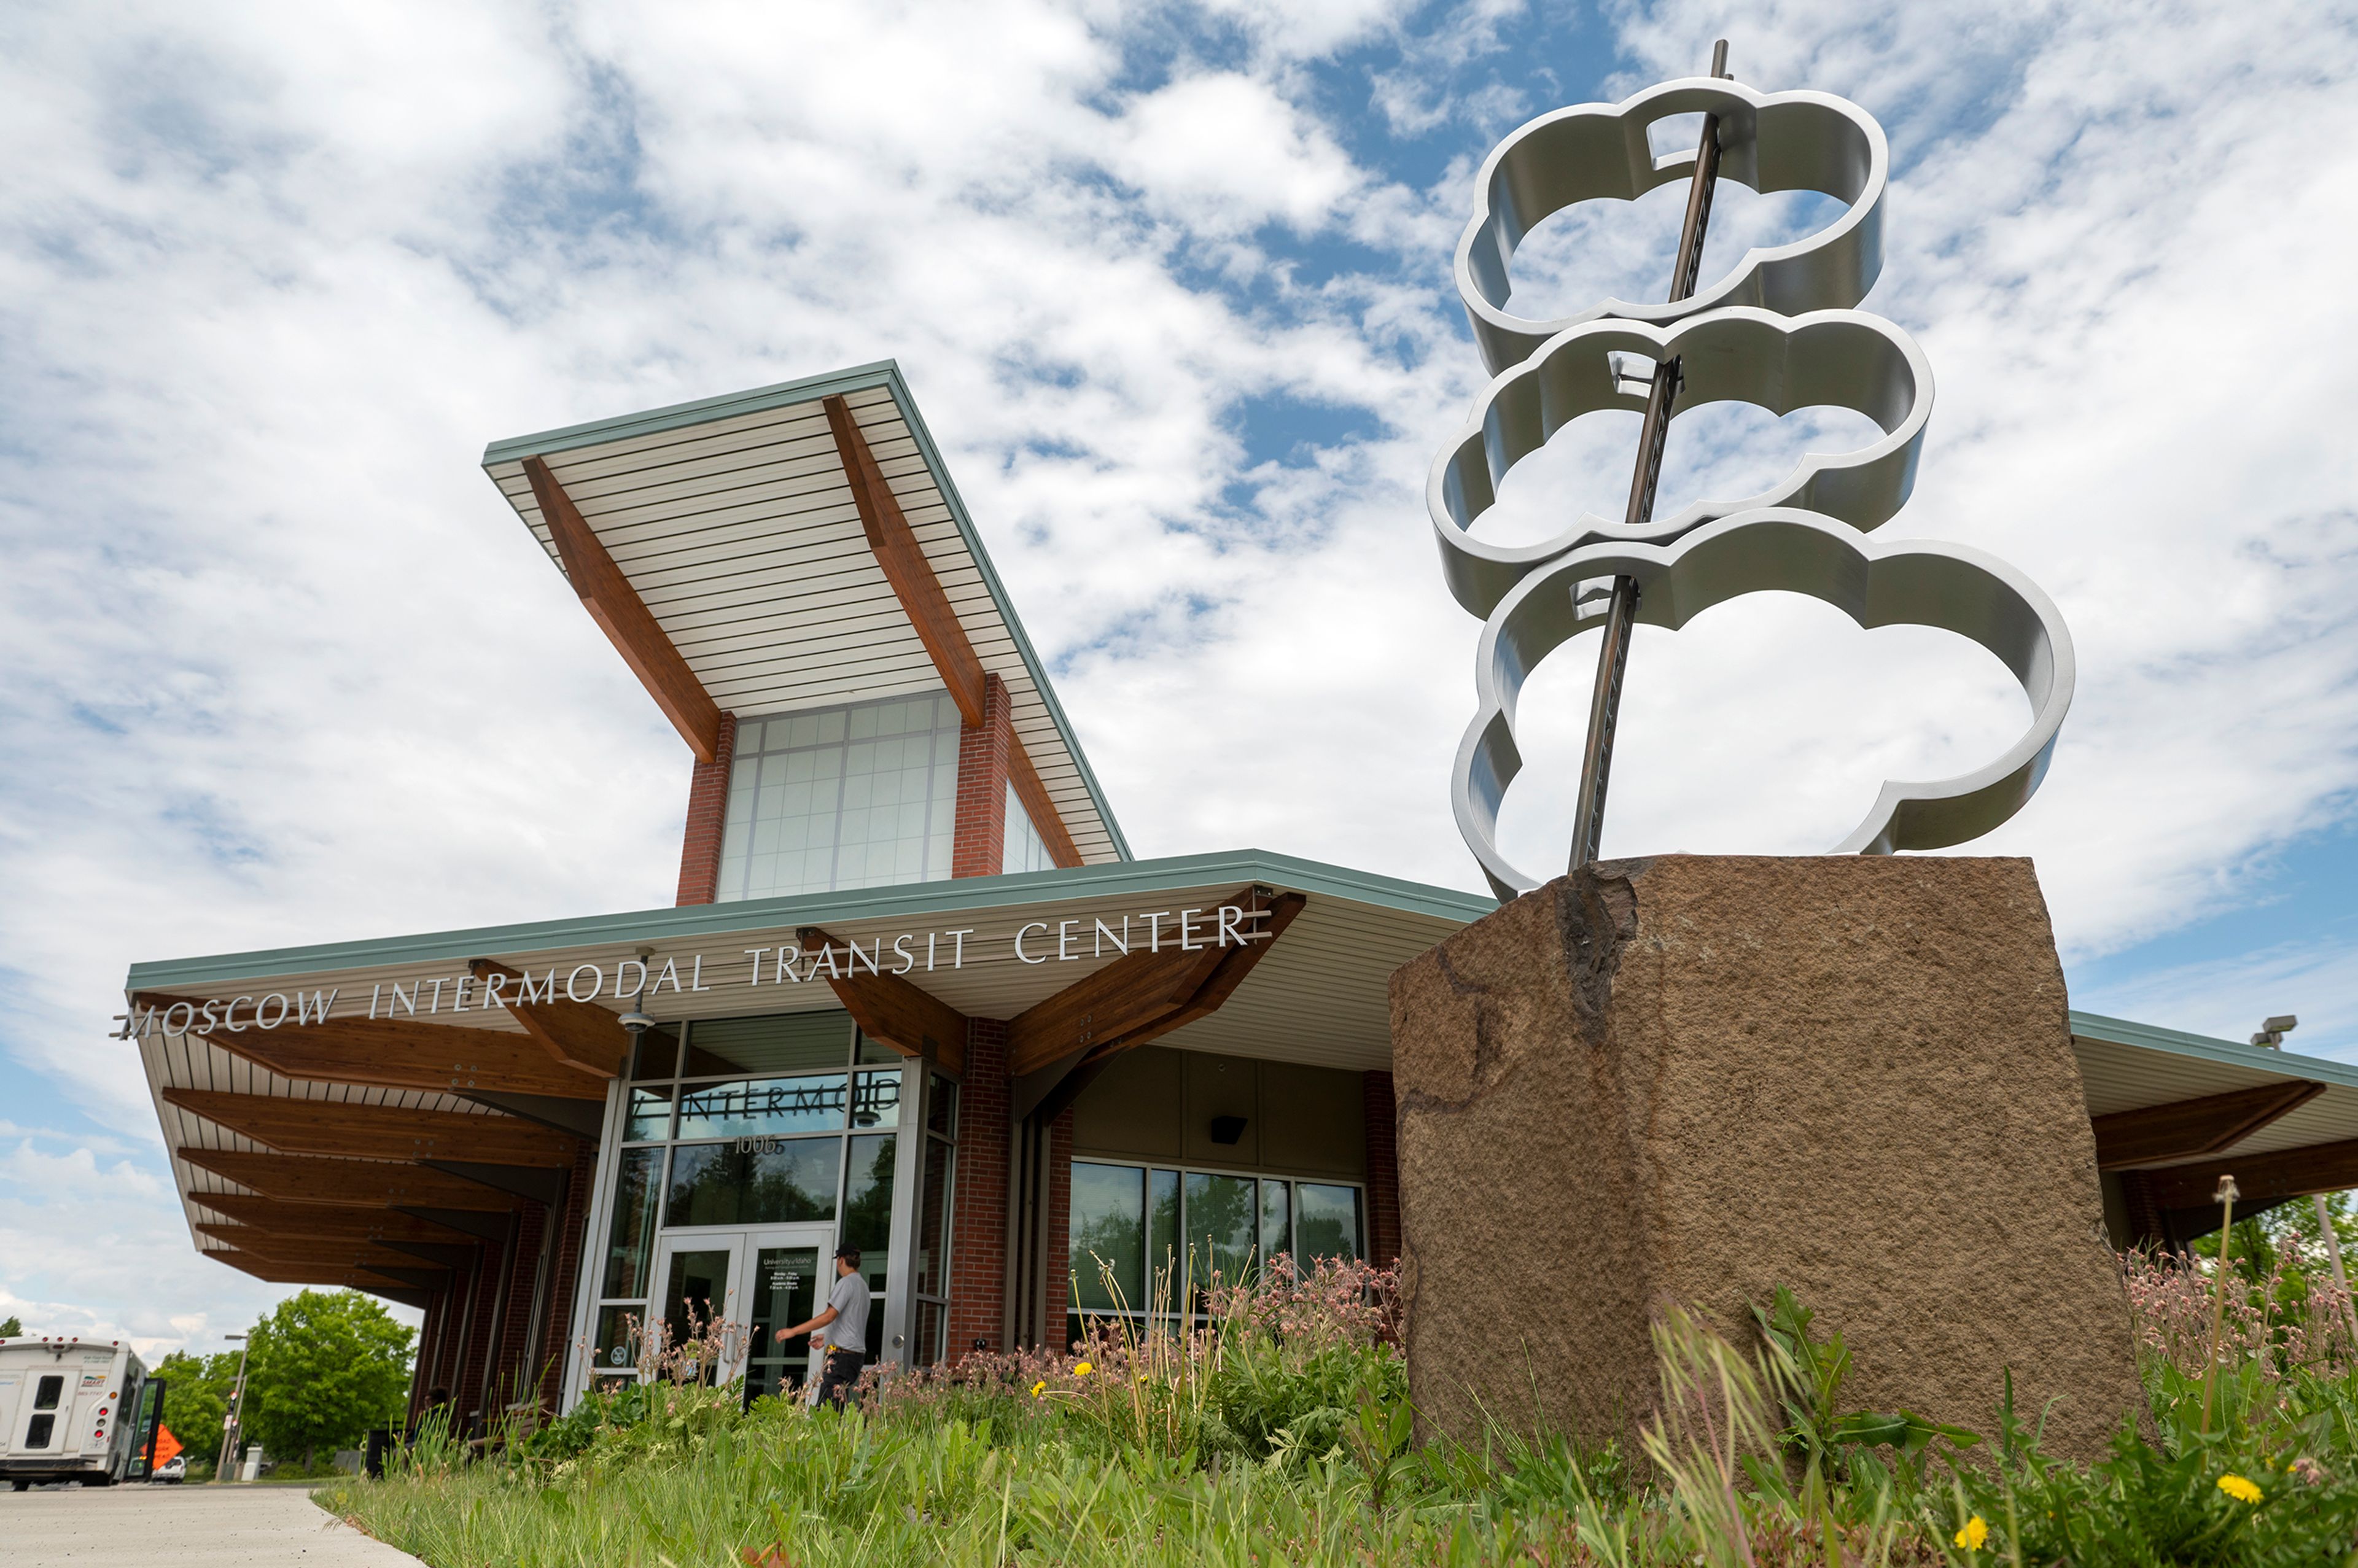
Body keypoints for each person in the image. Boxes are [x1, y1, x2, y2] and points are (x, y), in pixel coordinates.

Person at [775, 1246, 870, 1409]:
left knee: (825, 1412)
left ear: (840, 1260)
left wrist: (793, 1331)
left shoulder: (846, 1283)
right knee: (835, 1409)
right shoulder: (862, 1286)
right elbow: (853, 1323)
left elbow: (829, 1316)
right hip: (853, 1357)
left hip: (842, 1359)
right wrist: (828, 1339)